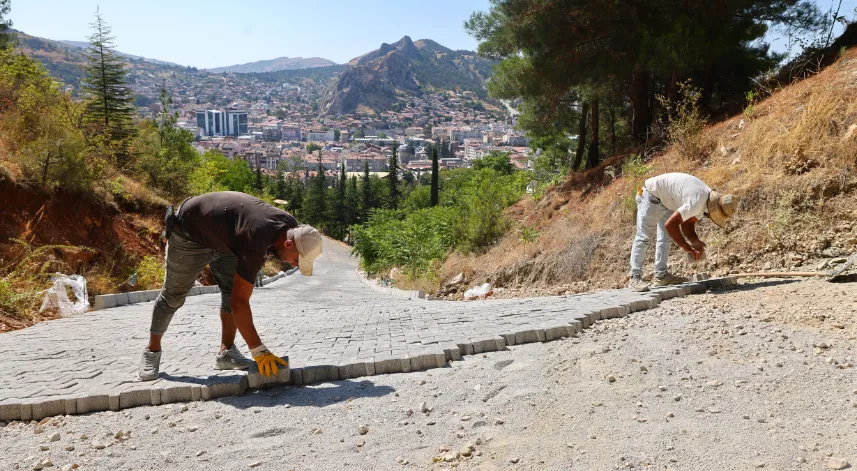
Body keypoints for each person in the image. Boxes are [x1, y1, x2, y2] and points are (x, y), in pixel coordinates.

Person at [137, 191, 323, 381]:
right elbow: (239, 304)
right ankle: (152, 351)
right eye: (296, 260)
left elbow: (236, 296)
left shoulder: (288, 226)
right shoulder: (255, 239)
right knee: (173, 296)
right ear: (289, 243)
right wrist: (259, 351)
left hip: (228, 240)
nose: (294, 265)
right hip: (190, 233)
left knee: (230, 291)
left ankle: (226, 353)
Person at [628, 173, 736, 292]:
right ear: (713, 210)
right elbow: (670, 225)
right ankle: (635, 277)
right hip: (651, 196)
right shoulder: (697, 202)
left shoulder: (707, 199)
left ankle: (661, 276)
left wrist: (694, 241)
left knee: (666, 237)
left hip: (666, 200)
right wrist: (687, 247)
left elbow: (687, 223)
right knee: (644, 237)